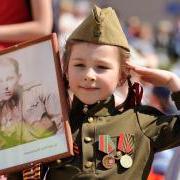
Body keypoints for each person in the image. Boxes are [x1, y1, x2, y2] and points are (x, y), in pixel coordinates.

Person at [7, 5, 180, 180]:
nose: (89, 75)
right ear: (65, 69)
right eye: (79, 65)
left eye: (102, 67)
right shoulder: (50, 126)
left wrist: (172, 83)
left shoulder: (140, 121)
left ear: (121, 76)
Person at [0, 57, 62, 150]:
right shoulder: (2, 110)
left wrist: (58, 150)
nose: (5, 86)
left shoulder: (39, 91)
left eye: (9, 79)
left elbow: (63, 124)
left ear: (18, 77)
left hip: (52, 152)